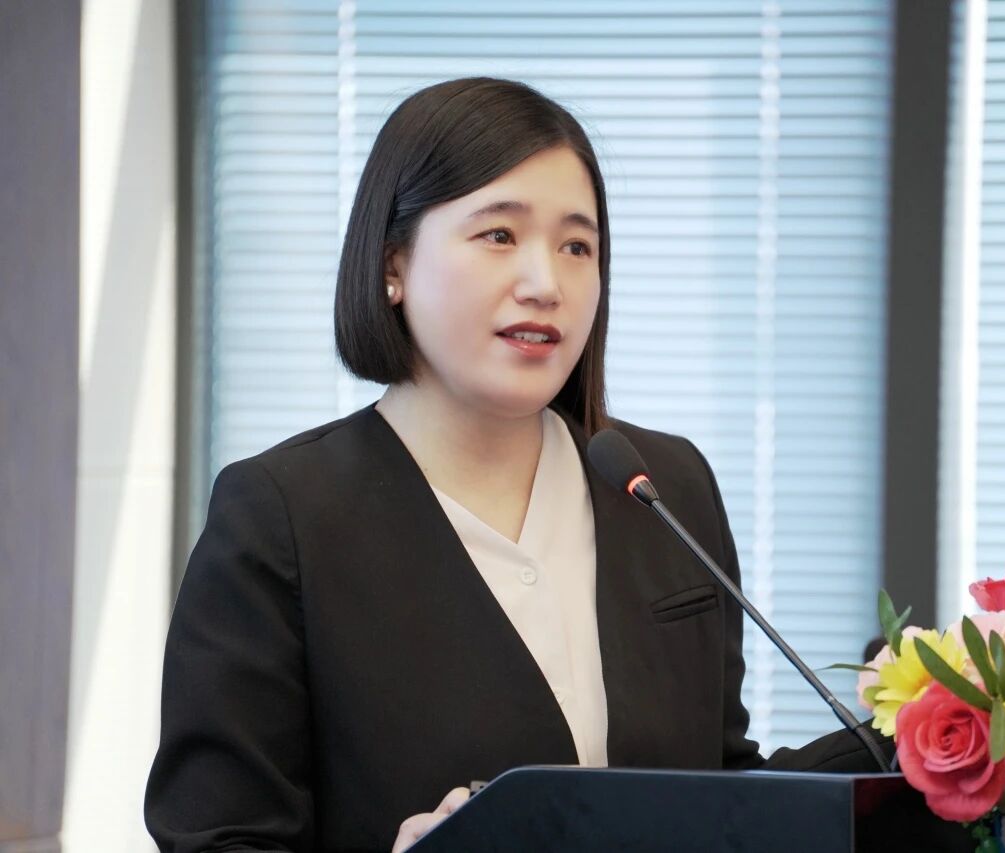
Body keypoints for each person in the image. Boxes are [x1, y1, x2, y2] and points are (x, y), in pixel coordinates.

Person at [144, 77, 891, 853]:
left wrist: (928, 729)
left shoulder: (662, 484)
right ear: (393, 263)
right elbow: (221, 838)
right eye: (499, 235)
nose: (546, 284)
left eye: (577, 246)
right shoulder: (281, 517)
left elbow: (718, 789)